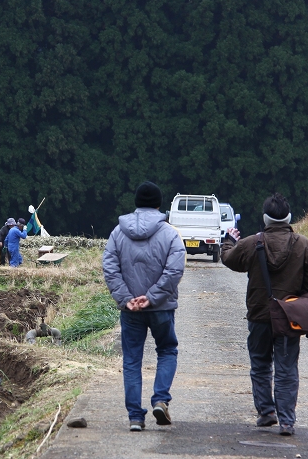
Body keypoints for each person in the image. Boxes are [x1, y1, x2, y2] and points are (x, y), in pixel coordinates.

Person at [221, 193, 308, 437]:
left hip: (259, 314)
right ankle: (287, 421)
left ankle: (266, 412)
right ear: (289, 217)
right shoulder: (302, 244)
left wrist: (227, 241)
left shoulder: (251, 243)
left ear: (264, 218)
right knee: (287, 369)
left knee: (260, 364)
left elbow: (228, 260)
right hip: (290, 318)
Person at [102, 181, 186, 432]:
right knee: (167, 350)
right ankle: (160, 399)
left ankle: (135, 417)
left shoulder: (118, 232)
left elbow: (109, 267)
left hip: (130, 311)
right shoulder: (170, 233)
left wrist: (127, 298)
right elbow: (175, 269)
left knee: (131, 360)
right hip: (161, 307)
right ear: (159, 205)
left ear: (136, 203)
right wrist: (151, 297)